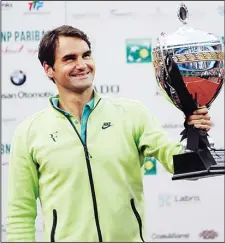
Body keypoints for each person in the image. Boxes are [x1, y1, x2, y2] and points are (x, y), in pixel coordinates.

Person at [6, 25, 211, 242]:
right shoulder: (29, 132)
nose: (82, 65)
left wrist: (196, 135)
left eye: (86, 55)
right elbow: (20, 212)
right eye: (69, 58)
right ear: (48, 69)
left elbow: (181, 163)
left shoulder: (131, 114)